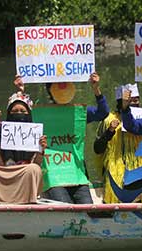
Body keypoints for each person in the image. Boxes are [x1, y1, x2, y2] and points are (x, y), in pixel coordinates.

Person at [40, 72, 109, 204]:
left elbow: (103, 112)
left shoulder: (79, 112)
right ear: (50, 90)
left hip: (76, 174)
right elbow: (21, 119)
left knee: (87, 208)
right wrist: (20, 91)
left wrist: (96, 89)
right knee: (65, 208)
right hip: (53, 176)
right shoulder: (40, 114)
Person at [0, 91, 47, 204]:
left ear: (29, 113)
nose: (19, 114)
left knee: (34, 169)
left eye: (23, 111)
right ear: (9, 113)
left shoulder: (34, 132)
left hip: (23, 173)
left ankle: (29, 201)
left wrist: (41, 150)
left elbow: (37, 163)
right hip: (2, 173)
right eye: (15, 111)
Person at [94, 83, 142, 203]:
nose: (135, 103)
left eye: (137, 100)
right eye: (130, 100)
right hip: (116, 170)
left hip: (141, 169)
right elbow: (97, 148)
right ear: (121, 102)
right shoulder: (109, 120)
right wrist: (109, 131)